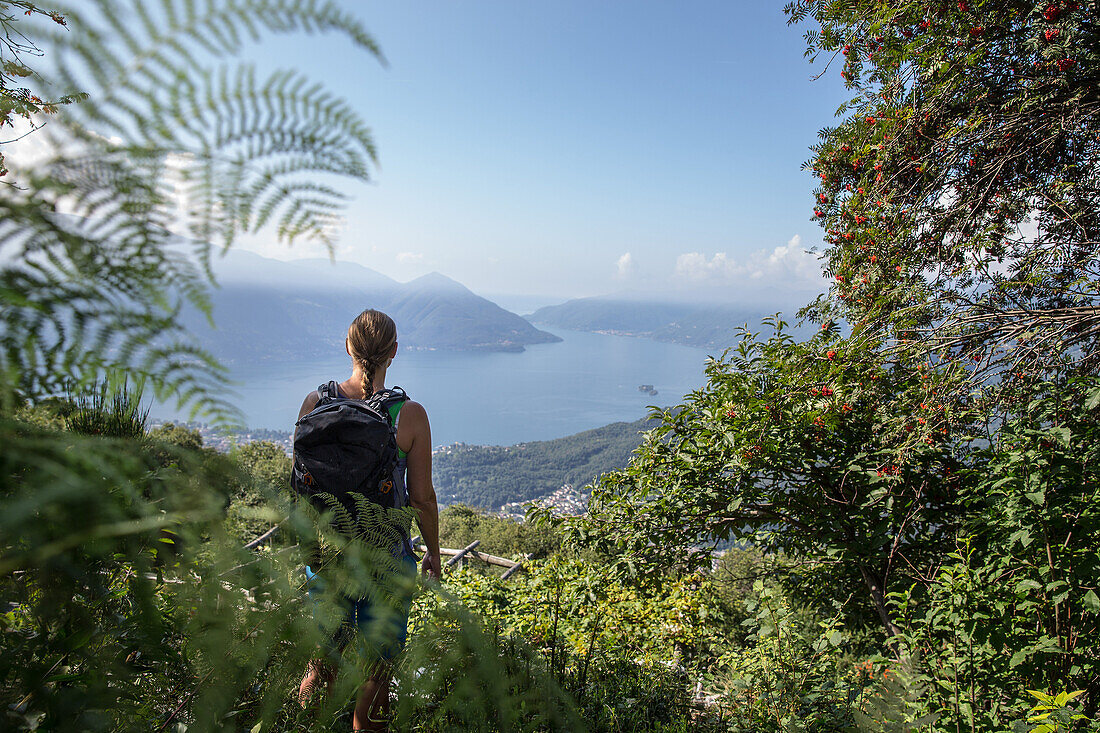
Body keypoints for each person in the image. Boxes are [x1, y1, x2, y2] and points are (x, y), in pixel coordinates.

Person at [296, 308, 441, 732]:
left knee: (322, 660)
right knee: (377, 671)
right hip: (387, 560)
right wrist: (432, 552)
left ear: (348, 346)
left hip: (327, 556)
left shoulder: (315, 403)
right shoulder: (408, 415)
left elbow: (303, 486)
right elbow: (421, 498)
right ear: (394, 352)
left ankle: (301, 725)